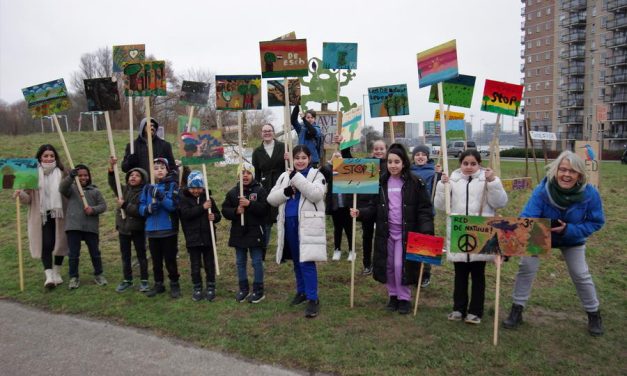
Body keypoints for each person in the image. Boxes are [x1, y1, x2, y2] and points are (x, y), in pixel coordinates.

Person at [503, 151, 605, 336]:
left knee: (580, 274)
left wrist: (569, 230)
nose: (566, 175)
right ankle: (517, 310)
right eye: (563, 169)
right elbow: (528, 217)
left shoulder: (590, 194)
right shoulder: (543, 190)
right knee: (526, 267)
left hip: (571, 237)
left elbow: (596, 222)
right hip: (540, 233)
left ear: (579, 175)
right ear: (556, 171)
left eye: (572, 171)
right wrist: (512, 245)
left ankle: (594, 314)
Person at [351, 143, 434, 315]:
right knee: (388, 265)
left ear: (404, 162)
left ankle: (404, 298)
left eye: (397, 161)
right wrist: (360, 212)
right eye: (390, 162)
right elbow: (374, 207)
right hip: (386, 233)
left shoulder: (415, 182)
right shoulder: (381, 182)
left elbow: (424, 209)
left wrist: (426, 230)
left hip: (406, 234)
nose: (393, 165)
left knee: (400, 265)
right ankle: (393, 295)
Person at [434, 149, 508, 324]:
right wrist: (442, 186)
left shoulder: (487, 180)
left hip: (480, 234)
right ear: (460, 164)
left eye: (473, 164)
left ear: (479, 164)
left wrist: (492, 182)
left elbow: (500, 202)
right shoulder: (452, 180)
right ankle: (458, 308)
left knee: (478, 275)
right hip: (460, 233)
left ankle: (475, 311)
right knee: (459, 275)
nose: (469, 167)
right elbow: (440, 205)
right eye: (465, 163)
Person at [267, 145, 327, 318]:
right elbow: (271, 199)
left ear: (309, 158)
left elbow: (316, 195)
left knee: (306, 261)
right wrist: (286, 192)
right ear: (292, 159)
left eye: (303, 158)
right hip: (289, 224)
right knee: (295, 261)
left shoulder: (316, 174)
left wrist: (297, 178)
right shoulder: (284, 176)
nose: (300, 161)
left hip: (307, 225)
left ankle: (312, 298)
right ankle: (301, 291)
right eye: (297, 158)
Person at [14, 144, 68, 288]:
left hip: (60, 214)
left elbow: (70, 191)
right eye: (46, 156)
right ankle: (49, 276)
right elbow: (28, 199)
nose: (49, 158)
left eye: (52, 155)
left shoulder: (63, 172)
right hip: (42, 215)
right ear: (40, 157)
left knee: (60, 243)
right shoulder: (31, 174)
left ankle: (57, 272)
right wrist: (21, 194)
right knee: (46, 244)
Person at [221, 162, 268, 303]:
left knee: (257, 262)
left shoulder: (260, 191)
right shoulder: (232, 193)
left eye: (248, 173)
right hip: (238, 232)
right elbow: (225, 210)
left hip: (255, 232)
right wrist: (236, 211)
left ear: (252, 175)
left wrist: (250, 205)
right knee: (240, 262)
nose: (245, 175)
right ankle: (243, 289)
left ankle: (258, 290)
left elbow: (265, 209)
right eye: (242, 173)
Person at [59, 164, 108, 289]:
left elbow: (103, 206)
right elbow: (62, 188)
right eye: (80, 175)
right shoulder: (72, 190)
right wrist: (70, 176)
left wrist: (93, 210)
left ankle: (99, 274)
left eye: (85, 175)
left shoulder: (95, 191)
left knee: (95, 252)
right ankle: (74, 277)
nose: (83, 177)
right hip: (73, 226)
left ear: (89, 176)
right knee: (73, 254)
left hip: (91, 227)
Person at [139, 158, 180, 298]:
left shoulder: (172, 186)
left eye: (162, 167)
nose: (159, 170)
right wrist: (148, 208)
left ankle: (174, 284)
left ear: (167, 170)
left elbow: (173, 206)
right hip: (151, 230)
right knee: (156, 261)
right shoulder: (146, 188)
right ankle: (158, 284)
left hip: (168, 230)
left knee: (170, 260)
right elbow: (140, 207)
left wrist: (161, 197)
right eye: (156, 168)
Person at [107, 157, 150, 293]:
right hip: (123, 229)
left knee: (141, 255)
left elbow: (140, 211)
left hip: (138, 229)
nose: (133, 177)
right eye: (131, 175)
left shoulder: (145, 193)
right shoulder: (123, 190)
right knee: (125, 256)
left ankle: (144, 280)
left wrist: (124, 205)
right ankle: (127, 280)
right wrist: (111, 168)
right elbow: (113, 183)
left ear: (143, 179)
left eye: (137, 175)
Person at [179, 170, 222, 302]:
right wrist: (202, 208)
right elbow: (186, 214)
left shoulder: (209, 199)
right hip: (193, 239)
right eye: (193, 188)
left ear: (203, 187)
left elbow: (218, 215)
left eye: (199, 187)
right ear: (188, 187)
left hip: (208, 238)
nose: (196, 190)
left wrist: (213, 216)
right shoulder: (184, 199)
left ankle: (210, 287)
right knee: (195, 265)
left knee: (209, 264)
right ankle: (197, 287)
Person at [251, 123, 287, 257]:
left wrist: (288, 159)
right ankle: (263, 251)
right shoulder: (257, 152)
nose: (267, 133)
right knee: (266, 222)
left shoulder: (283, 147)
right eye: (264, 131)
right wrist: (257, 188)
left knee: (282, 219)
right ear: (261, 133)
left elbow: (289, 167)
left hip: (281, 185)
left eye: (269, 131)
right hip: (265, 187)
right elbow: (256, 173)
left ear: (273, 132)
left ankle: (283, 252)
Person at [409, 144, 442, 288]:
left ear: (428, 157)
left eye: (423, 154)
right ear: (413, 157)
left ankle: (426, 273)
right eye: (417, 154)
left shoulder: (433, 172)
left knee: (426, 243)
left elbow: (440, 189)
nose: (420, 157)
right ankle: (413, 273)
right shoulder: (408, 171)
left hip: (426, 213)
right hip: (410, 212)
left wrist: (440, 175)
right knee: (411, 243)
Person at [359, 139, 387, 275]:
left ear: (386, 150)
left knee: (383, 236)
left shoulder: (391, 164)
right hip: (367, 205)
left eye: (382, 148)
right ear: (372, 151)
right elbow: (348, 164)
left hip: (384, 207)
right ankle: (367, 264)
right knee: (367, 236)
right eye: (376, 149)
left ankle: (381, 263)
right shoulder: (367, 164)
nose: (379, 151)